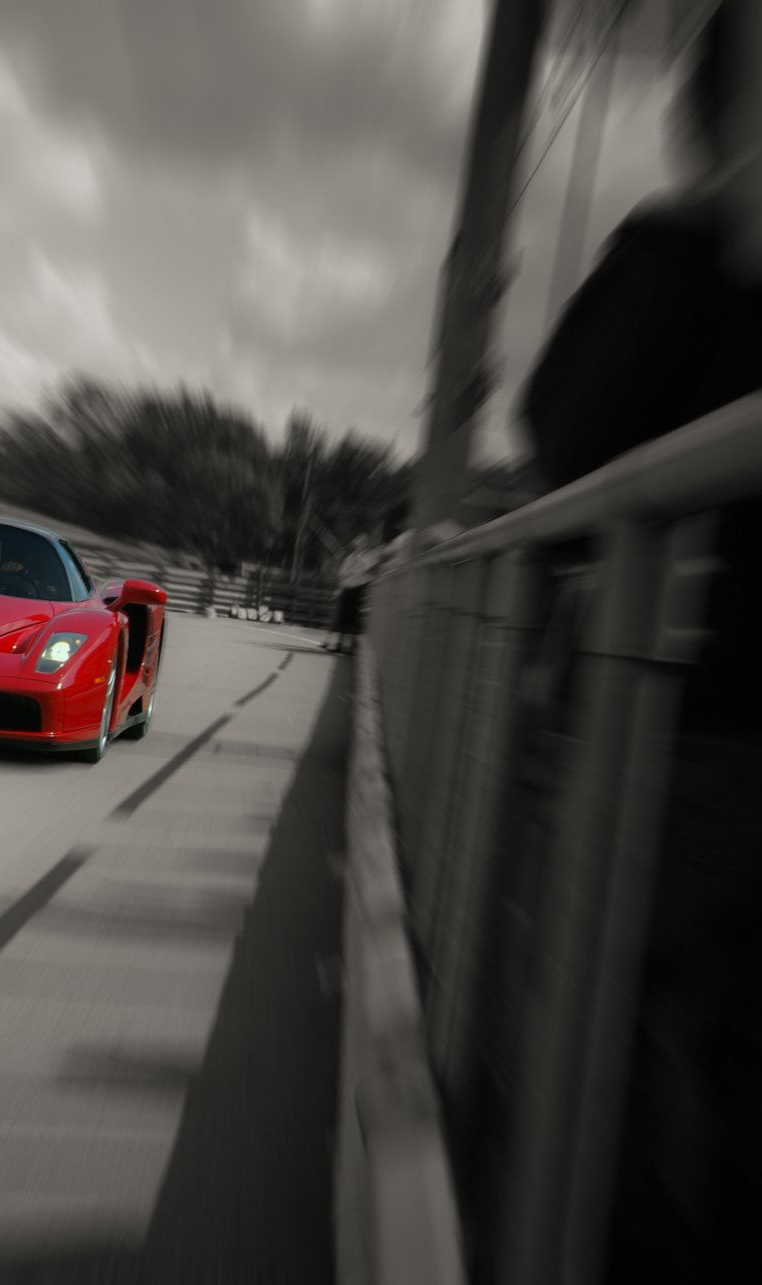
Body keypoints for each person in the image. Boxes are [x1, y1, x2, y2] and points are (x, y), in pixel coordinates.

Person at [520, 5, 762, 1279]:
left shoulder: (683, 254)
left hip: (682, 742)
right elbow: (564, 442)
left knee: (616, 1050)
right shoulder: (689, 255)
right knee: (646, 1065)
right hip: (684, 740)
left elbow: (561, 441)